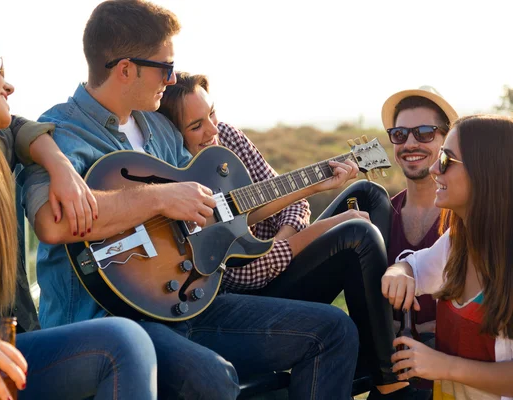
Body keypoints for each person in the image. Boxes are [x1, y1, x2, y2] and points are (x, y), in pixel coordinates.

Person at [21, 1, 359, 399]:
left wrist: (310, 185)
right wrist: (162, 197)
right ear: (125, 68)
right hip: (108, 323)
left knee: (333, 330)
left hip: (189, 305)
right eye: (165, 67)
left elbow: (218, 211)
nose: (173, 76)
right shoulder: (61, 134)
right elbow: (54, 223)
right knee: (211, 377)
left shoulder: (160, 129)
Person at [0, 29, 157, 400]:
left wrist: (61, 166)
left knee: (125, 340)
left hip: (1, 358)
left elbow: (19, 126)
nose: (8, 85)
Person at [156, 72, 431, 400]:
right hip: (251, 297)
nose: (212, 129)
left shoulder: (226, 137)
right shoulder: (178, 177)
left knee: (369, 194)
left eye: (212, 114)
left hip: (280, 259)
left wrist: (287, 234)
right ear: (173, 134)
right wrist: (317, 231)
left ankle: (385, 342)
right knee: (356, 233)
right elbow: (247, 274)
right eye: (196, 125)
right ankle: (391, 382)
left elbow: (295, 202)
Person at [383, 114, 513, 400]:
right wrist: (399, 273)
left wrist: (442, 366)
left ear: (485, 171)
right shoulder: (456, 243)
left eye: (445, 161)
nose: (432, 169)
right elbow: (413, 266)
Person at [382, 87, 459, 342]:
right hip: (386, 374)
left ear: (446, 142)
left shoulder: (465, 217)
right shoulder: (379, 216)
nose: (410, 143)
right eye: (400, 134)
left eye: (425, 133)